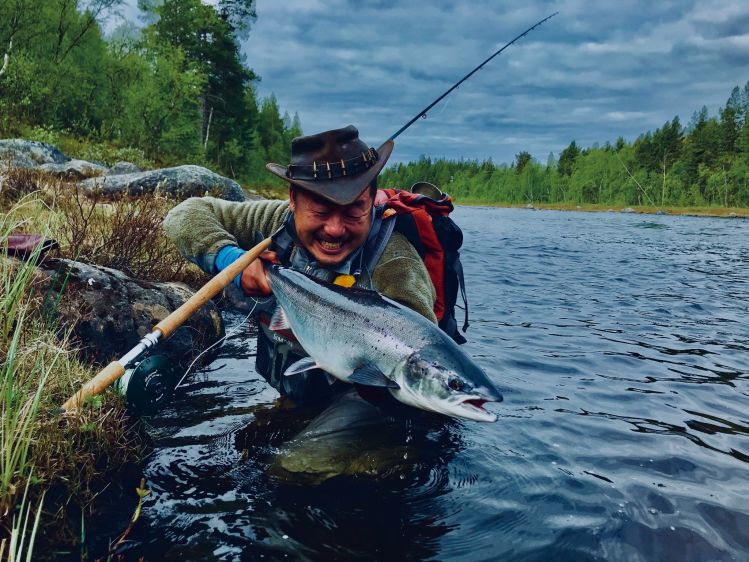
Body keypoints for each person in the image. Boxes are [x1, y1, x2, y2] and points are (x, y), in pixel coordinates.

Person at [164, 125, 437, 405]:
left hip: (365, 410)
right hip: (293, 395)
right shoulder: (275, 220)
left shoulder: (397, 261)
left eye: (355, 209)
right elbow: (184, 215)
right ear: (292, 200)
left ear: (371, 201)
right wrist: (231, 261)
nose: (334, 229)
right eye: (320, 209)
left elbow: (422, 342)